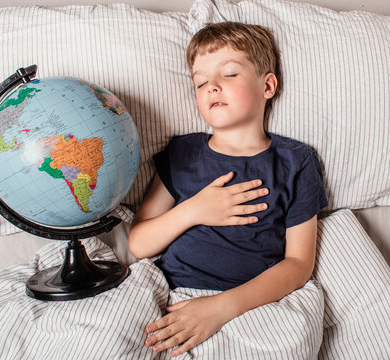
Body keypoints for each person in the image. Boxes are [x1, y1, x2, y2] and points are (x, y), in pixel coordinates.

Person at [128, 22, 328, 357]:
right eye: (201, 81)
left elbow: (298, 263)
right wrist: (193, 209)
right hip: (174, 294)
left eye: (229, 74)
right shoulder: (183, 152)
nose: (212, 87)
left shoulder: (297, 161)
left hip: (256, 301)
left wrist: (221, 307)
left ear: (267, 85)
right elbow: (138, 244)